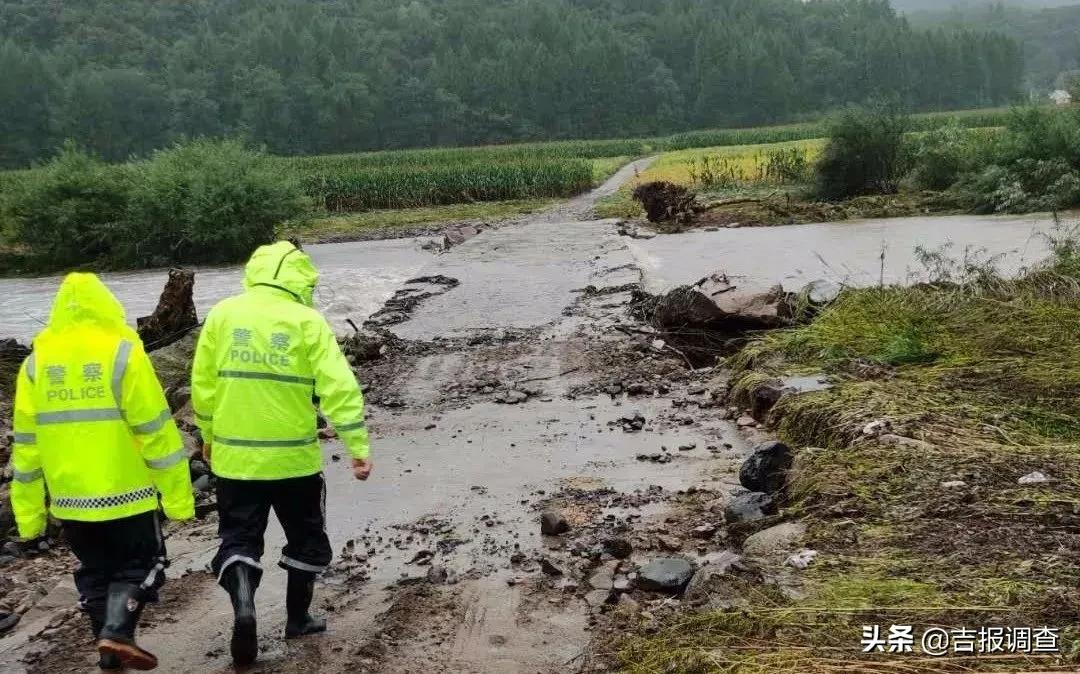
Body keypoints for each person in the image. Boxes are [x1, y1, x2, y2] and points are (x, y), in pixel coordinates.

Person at [191, 240, 372, 666]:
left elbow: (203, 383)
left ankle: (244, 603)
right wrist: (357, 446)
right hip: (294, 461)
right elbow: (339, 388)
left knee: (239, 538)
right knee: (306, 539)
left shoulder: (223, 314)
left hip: (236, 461)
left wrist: (208, 435)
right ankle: (298, 618)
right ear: (301, 279)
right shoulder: (306, 320)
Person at [9, 273, 194, 671]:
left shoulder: (36, 364)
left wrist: (29, 517)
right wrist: (178, 498)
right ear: (108, 306)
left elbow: (26, 448)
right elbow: (155, 432)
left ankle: (109, 652)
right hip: (128, 494)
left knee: (95, 573)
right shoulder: (123, 353)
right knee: (145, 564)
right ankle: (117, 631)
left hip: (71, 500)